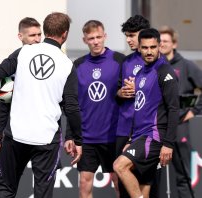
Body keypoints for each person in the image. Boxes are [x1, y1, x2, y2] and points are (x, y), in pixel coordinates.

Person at [0, 12, 82, 198]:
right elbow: (71, 108)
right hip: (46, 138)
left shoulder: (23, 52)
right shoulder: (67, 65)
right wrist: (78, 140)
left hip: (16, 135)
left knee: (5, 189)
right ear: (65, 34)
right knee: (42, 193)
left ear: (45, 31)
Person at [114, 28, 179, 198]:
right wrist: (130, 139)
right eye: (145, 48)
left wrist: (168, 144)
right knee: (144, 186)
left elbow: (173, 109)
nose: (149, 51)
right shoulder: (141, 72)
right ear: (139, 48)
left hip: (154, 136)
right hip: (139, 136)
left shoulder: (165, 72)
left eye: (153, 47)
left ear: (159, 46)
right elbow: (140, 108)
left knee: (120, 166)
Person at [73, 20, 125, 198]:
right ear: (84, 40)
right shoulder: (78, 65)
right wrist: (70, 135)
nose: (95, 41)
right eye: (91, 38)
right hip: (87, 136)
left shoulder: (119, 61)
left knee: (119, 182)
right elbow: (73, 103)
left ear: (105, 36)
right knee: (84, 183)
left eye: (98, 37)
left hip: (113, 135)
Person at [0, 17, 42, 163]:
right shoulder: (13, 63)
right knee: (8, 182)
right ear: (21, 36)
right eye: (32, 35)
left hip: (44, 135)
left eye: (39, 35)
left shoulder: (50, 60)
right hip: (17, 135)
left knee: (44, 184)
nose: (37, 39)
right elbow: (1, 105)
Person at [159, 25, 202, 198]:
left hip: (179, 127)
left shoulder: (186, 65)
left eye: (166, 41)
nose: (162, 44)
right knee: (152, 177)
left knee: (182, 175)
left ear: (174, 44)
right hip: (157, 127)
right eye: (159, 41)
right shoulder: (154, 65)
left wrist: (194, 110)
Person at [116, 15, 150, 198]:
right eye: (126, 36)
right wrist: (122, 92)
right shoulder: (126, 61)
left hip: (145, 130)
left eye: (131, 35)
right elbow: (117, 92)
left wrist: (141, 87)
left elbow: (165, 96)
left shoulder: (156, 61)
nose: (128, 40)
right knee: (122, 184)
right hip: (123, 128)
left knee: (145, 180)